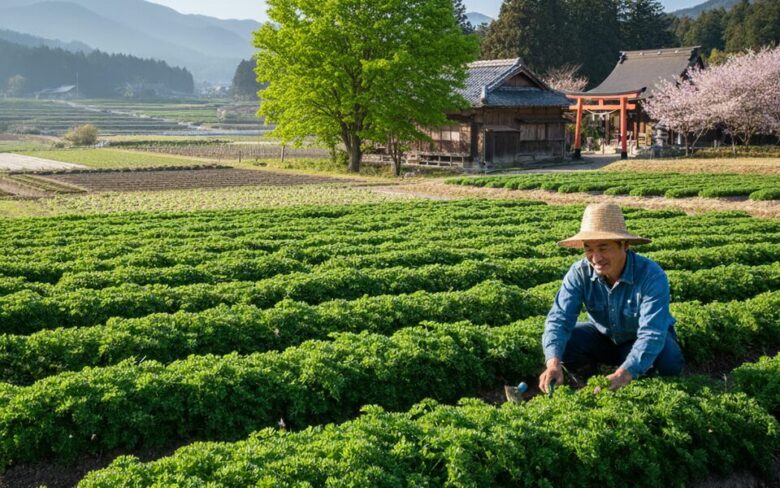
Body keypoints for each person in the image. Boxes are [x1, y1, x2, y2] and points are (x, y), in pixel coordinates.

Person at [539, 202, 684, 393]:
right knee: (566, 341)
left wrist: (624, 374)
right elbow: (559, 319)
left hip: (637, 339)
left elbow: (652, 333)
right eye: (589, 249)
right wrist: (553, 363)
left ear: (624, 245)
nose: (596, 258)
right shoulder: (579, 273)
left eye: (603, 248)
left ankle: (632, 373)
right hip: (603, 338)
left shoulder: (651, 275)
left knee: (668, 360)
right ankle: (589, 376)